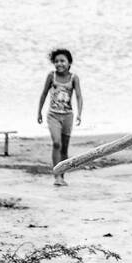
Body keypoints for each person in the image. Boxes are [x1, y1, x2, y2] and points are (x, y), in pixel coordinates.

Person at [36, 48, 82, 185]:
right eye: (56, 61)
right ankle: (56, 176)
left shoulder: (74, 78)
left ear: (69, 63)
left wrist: (80, 113)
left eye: (62, 61)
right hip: (53, 115)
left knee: (64, 148)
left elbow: (79, 96)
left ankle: (62, 176)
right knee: (57, 143)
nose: (59, 64)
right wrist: (39, 112)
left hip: (68, 115)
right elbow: (44, 94)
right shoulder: (51, 76)